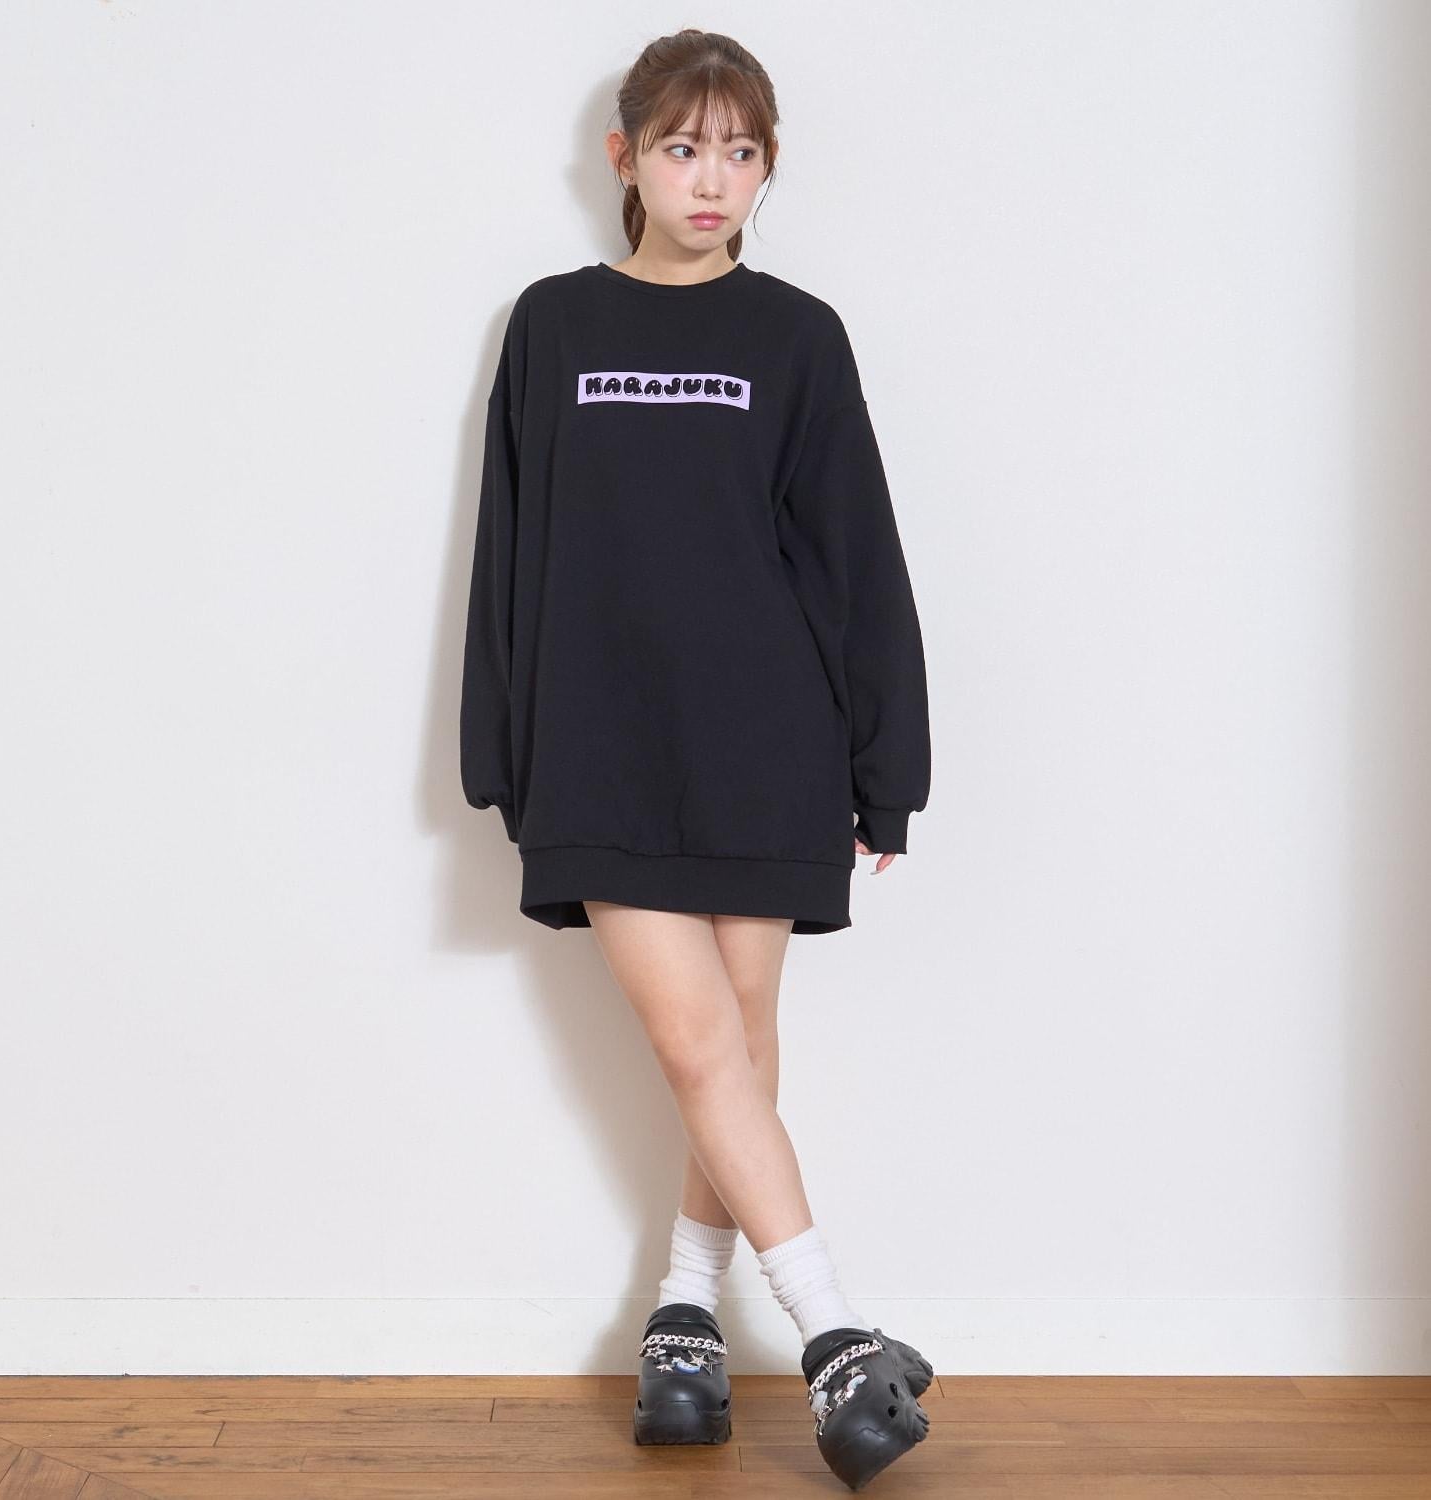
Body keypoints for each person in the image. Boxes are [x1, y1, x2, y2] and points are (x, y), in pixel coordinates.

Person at [458, 27, 934, 1492]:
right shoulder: (553, 325)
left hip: (766, 741)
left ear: (766, 166)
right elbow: (510, 545)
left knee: (738, 1032)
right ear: (628, 159)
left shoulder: (798, 337)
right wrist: (501, 747)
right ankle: (837, 1332)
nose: (711, 179)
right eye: (683, 148)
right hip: (603, 746)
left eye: (739, 152)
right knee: (695, 1043)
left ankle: (681, 1322)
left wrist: (888, 760)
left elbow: (854, 552)